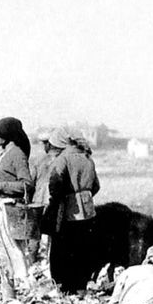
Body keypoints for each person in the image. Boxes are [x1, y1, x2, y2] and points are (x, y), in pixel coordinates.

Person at [0, 117, 34, 299]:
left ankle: (9, 300)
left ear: (7, 135)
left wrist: (2, 187)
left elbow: (27, 185)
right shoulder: (4, 154)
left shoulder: (17, 154)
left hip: (6, 212)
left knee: (6, 255)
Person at [46, 126, 100, 294]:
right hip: (88, 210)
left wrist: (58, 200)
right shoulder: (87, 158)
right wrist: (85, 195)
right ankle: (81, 286)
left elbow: (55, 184)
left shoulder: (62, 159)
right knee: (83, 248)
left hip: (68, 210)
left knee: (63, 249)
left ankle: (65, 287)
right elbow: (96, 186)